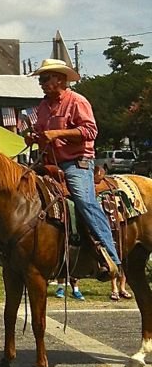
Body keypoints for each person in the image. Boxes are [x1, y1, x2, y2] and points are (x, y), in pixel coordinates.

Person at [29, 58, 121, 279]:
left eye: (45, 78)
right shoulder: (42, 106)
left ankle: (110, 254)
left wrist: (57, 134)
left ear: (60, 79)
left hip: (76, 163)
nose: (41, 83)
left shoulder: (77, 101)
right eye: (40, 79)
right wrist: (34, 137)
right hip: (50, 164)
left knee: (83, 200)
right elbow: (41, 131)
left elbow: (90, 131)